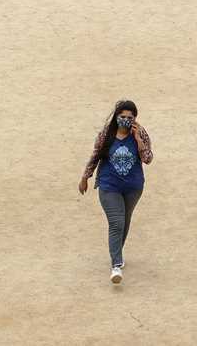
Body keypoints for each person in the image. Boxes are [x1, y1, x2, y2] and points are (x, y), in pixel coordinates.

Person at [78, 100, 153, 285]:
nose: (126, 120)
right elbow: (95, 156)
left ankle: (117, 253)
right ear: (116, 117)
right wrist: (85, 177)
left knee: (125, 221)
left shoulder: (141, 133)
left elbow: (148, 159)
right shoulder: (106, 134)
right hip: (109, 185)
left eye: (130, 117)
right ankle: (116, 265)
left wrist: (139, 140)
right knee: (116, 222)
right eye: (122, 116)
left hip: (133, 187)